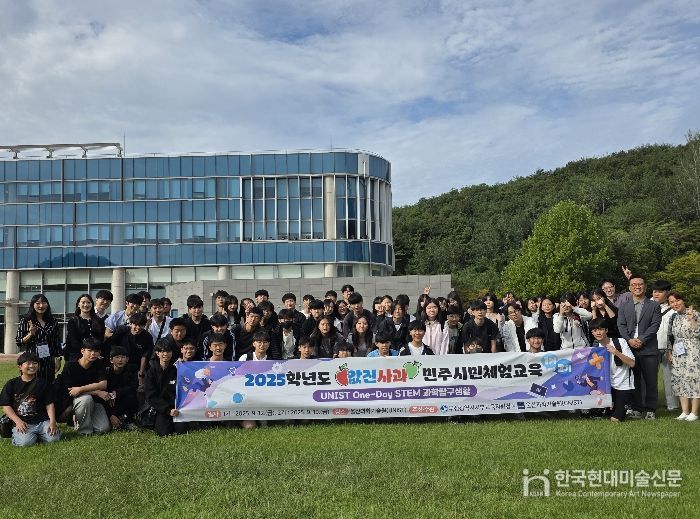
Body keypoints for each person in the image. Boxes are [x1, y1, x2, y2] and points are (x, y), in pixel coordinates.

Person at [617, 275, 662, 420]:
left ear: (645, 286)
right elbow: (621, 325)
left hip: (649, 348)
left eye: (640, 284)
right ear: (630, 288)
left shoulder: (654, 305)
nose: (637, 287)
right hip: (630, 348)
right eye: (634, 284)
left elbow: (654, 325)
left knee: (650, 380)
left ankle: (650, 409)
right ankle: (637, 408)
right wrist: (629, 340)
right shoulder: (624, 306)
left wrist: (642, 339)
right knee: (634, 380)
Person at [0, 352, 61, 447]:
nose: (32, 366)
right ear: (20, 367)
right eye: (28, 363)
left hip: (42, 421)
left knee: (54, 439)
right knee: (26, 443)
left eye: (35, 363)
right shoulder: (11, 384)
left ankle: (36, 435)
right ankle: (20, 436)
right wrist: (18, 422)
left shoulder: (44, 383)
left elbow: (49, 404)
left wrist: (52, 421)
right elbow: (6, 406)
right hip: (22, 421)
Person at [59, 338, 111, 435]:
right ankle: (84, 431)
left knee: (103, 429)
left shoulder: (99, 364)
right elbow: (71, 391)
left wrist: (81, 389)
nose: (93, 354)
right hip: (75, 400)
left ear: (100, 352)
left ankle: (81, 419)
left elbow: (103, 384)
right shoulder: (70, 366)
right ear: (82, 351)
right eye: (89, 350)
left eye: (96, 351)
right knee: (86, 399)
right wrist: (97, 392)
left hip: (95, 401)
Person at [589, 318, 635, 422]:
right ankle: (607, 408)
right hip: (606, 386)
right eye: (595, 330)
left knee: (616, 418)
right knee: (600, 413)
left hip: (623, 384)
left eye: (601, 329)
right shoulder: (595, 347)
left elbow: (632, 363)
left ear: (606, 330)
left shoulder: (620, 342)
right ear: (592, 333)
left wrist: (616, 352)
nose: (598, 333)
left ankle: (622, 407)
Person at [667, 291, 700, 421]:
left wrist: (692, 319)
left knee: (694, 379)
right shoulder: (674, 317)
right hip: (678, 352)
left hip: (693, 350)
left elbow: (698, 333)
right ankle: (684, 411)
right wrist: (670, 352)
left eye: (677, 300)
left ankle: (694, 412)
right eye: (672, 302)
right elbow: (670, 336)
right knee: (679, 380)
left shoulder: (695, 313)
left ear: (683, 300)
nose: (675, 304)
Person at [15, 294, 62, 384]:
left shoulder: (53, 321)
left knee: (48, 384)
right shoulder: (26, 320)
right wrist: (30, 334)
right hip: (32, 360)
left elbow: (56, 341)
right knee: (32, 385)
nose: (41, 306)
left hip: (48, 360)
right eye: (38, 303)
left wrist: (58, 359)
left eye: (44, 303)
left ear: (47, 304)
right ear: (33, 305)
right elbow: (19, 342)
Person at [145, 340, 186, 437]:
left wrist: (184, 366)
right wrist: (167, 409)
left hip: (177, 407)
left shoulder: (177, 369)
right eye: (162, 351)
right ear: (157, 353)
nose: (165, 354)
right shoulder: (151, 372)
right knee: (163, 432)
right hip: (162, 408)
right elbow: (151, 396)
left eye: (168, 351)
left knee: (181, 430)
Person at [651, 280, 679, 412]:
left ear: (667, 293)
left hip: (669, 348)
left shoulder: (673, 308)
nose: (656, 294)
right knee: (650, 378)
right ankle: (649, 404)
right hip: (652, 346)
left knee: (669, 378)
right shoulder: (648, 305)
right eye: (654, 291)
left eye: (660, 292)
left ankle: (672, 405)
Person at [105, 346, 139, 429]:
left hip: (124, 398)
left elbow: (133, 386)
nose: (120, 360)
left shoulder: (132, 369)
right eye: (117, 357)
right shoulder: (106, 371)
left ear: (127, 359)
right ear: (111, 360)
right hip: (109, 401)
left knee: (132, 396)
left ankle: (130, 420)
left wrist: (116, 392)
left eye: (123, 357)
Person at [65, 294, 106, 362]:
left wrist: (96, 353)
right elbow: (73, 342)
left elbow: (100, 340)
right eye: (83, 302)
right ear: (78, 305)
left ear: (92, 305)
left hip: (95, 356)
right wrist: (87, 354)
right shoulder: (73, 321)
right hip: (78, 357)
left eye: (88, 302)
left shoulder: (99, 321)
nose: (86, 305)